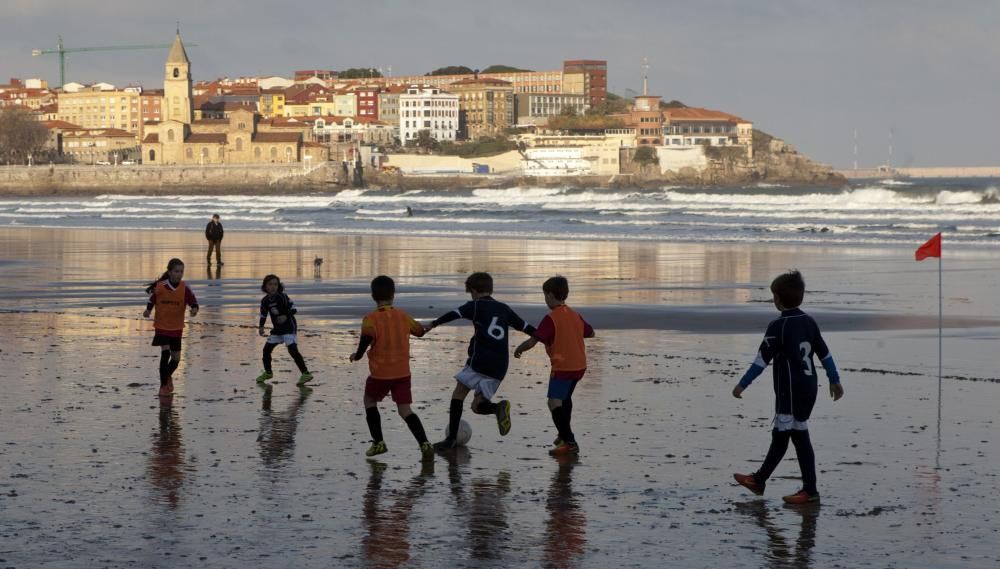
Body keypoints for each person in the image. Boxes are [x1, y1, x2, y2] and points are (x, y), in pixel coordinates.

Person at [731, 270, 844, 505]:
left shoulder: (778, 326)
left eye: (774, 296)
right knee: (785, 435)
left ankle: (807, 490)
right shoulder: (809, 322)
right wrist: (835, 380)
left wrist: (742, 384)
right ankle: (761, 480)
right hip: (809, 388)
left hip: (789, 390)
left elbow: (761, 360)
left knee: (794, 435)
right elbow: (825, 354)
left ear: (778, 299)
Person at [425, 272, 536, 450]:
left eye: (471, 292)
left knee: (458, 394)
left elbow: (455, 313)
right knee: (477, 406)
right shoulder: (504, 309)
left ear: (474, 291)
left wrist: (434, 324)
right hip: (500, 367)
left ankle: (451, 439)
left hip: (480, 361)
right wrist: (544, 338)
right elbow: (526, 327)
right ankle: (497, 408)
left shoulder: (476, 305)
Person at [349, 275, 434, 462]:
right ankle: (425, 443)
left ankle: (378, 442)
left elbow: (365, 340)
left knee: (369, 401)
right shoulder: (403, 316)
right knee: (405, 410)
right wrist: (428, 327)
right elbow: (419, 332)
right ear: (393, 294)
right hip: (403, 373)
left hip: (381, 373)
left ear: (373, 296)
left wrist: (358, 355)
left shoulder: (370, 319)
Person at [514, 276, 595, 456]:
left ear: (550, 295)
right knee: (565, 399)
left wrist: (519, 349)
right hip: (580, 366)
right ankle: (563, 434)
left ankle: (569, 441)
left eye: (545, 295)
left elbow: (533, 341)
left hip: (563, 367)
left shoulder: (551, 319)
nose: (545, 300)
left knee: (553, 402)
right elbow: (591, 333)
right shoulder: (574, 314)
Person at [143, 258, 199, 396]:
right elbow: (152, 299)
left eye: (181, 271)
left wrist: (194, 310)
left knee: (176, 359)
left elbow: (194, 303)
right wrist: (148, 310)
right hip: (162, 326)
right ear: (169, 272)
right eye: (176, 271)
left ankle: (167, 377)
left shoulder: (185, 288)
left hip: (176, 328)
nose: (179, 274)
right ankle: (163, 387)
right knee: (165, 353)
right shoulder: (161, 286)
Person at [256, 275, 313, 386]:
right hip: (277, 330)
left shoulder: (282, 297)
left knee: (292, 350)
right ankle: (268, 373)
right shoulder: (265, 301)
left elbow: (293, 309)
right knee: (266, 350)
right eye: (270, 284)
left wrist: (285, 316)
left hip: (288, 328)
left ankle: (306, 373)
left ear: (278, 286)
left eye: (275, 284)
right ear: (265, 286)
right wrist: (261, 327)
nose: (273, 287)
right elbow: (263, 315)